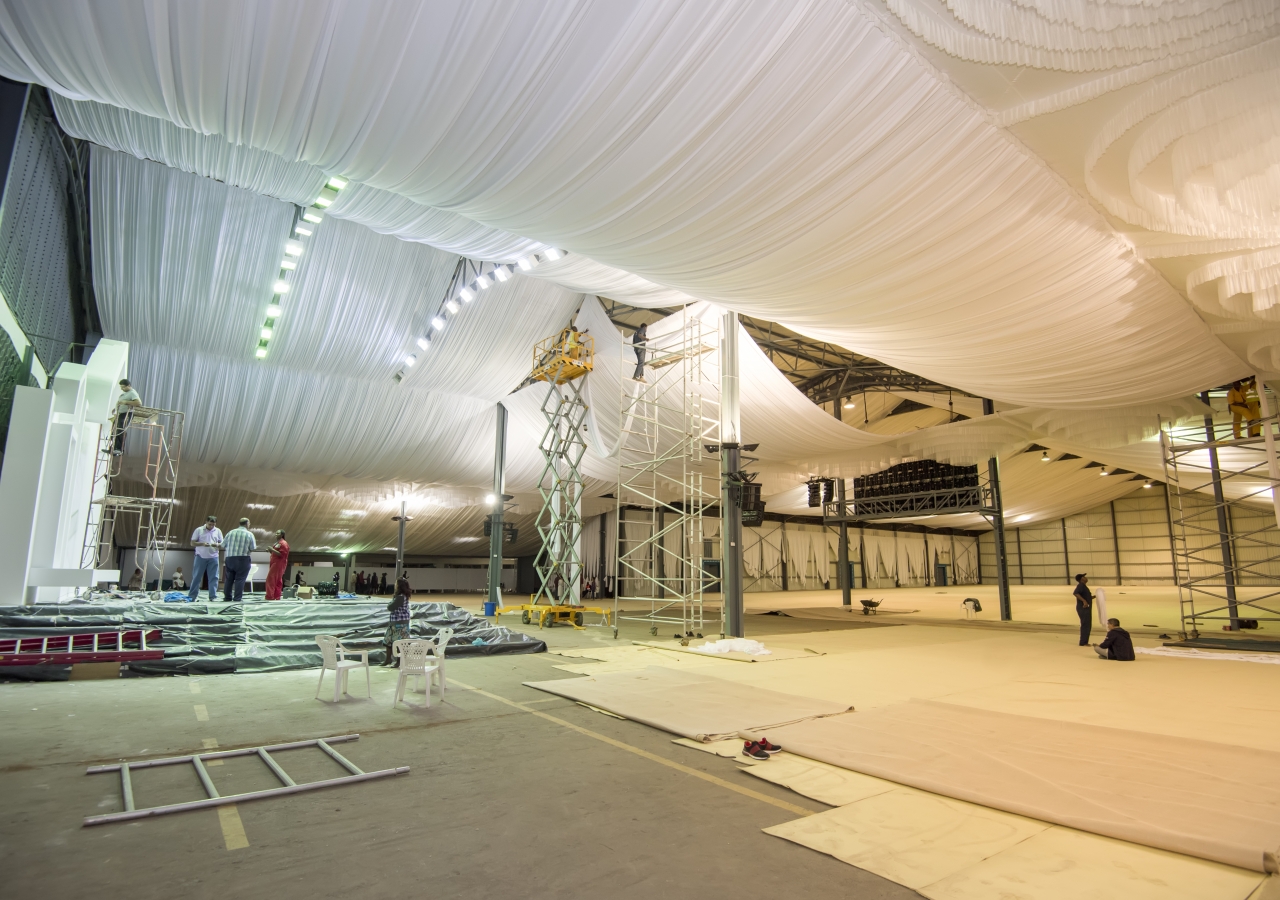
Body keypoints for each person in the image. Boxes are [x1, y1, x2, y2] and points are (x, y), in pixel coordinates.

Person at [188, 516, 223, 601]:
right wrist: (202, 544)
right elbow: (192, 543)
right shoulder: (199, 530)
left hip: (214, 557)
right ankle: (192, 596)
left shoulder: (218, 531)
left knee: (214, 577)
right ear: (206, 522)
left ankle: (213, 596)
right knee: (196, 577)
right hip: (200, 556)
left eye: (213, 525)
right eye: (210, 524)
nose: (211, 526)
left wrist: (217, 545)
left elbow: (222, 543)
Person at [222, 517, 257, 603]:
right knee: (240, 579)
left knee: (229, 579)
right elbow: (253, 548)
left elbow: (223, 545)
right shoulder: (249, 534)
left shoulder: (230, 533)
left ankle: (227, 597)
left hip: (230, 558)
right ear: (247, 524)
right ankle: (237, 598)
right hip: (243, 559)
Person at [382, 576, 413, 667]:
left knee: (399, 643)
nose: (395, 585)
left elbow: (390, 607)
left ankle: (399, 662)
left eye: (396, 584)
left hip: (400, 624)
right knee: (388, 641)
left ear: (399, 586)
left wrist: (390, 603)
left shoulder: (400, 597)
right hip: (395, 623)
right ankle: (388, 659)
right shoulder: (400, 597)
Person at [112, 378, 142, 455]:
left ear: (129, 385)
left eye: (123, 387)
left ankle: (119, 449)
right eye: (121, 387)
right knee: (115, 430)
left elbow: (138, 403)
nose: (122, 389)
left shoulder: (132, 393)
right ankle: (113, 447)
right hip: (120, 413)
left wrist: (125, 402)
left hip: (126, 413)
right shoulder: (126, 393)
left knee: (121, 429)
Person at [265, 530, 289, 600]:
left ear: (282, 535)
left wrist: (272, 549)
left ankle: (270, 596)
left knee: (271, 579)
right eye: (275, 533)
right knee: (277, 580)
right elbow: (276, 553)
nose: (276, 534)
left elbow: (282, 555)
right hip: (275, 562)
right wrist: (270, 551)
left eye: (278, 533)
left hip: (279, 563)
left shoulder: (283, 543)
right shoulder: (277, 543)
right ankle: (276, 596)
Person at [1073, 573, 1093, 646]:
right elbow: (1075, 593)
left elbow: (1085, 596)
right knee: (1086, 625)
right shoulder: (1081, 585)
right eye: (1084, 577)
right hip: (1083, 608)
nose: (1086, 578)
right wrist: (1084, 601)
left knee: (1087, 624)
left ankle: (1084, 641)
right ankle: (1083, 642)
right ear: (1082, 579)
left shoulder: (1084, 586)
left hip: (1085, 608)